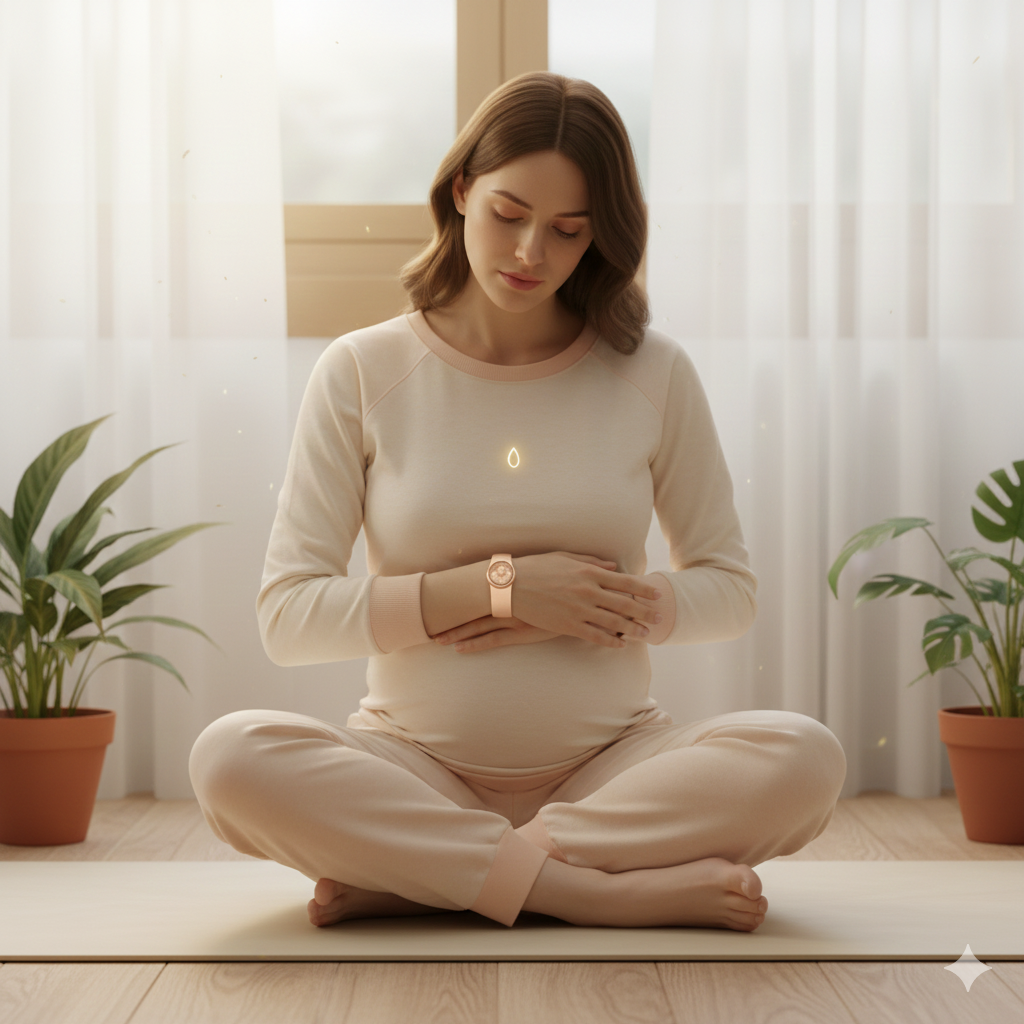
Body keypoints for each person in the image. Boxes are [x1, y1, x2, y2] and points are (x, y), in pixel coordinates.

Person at [189, 72, 846, 933]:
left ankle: (425, 876)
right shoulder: (362, 369)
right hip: (411, 764)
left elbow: (729, 588)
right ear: (461, 190)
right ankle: (585, 891)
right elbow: (291, 615)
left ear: (599, 238)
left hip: (613, 767)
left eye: (569, 232)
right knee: (230, 758)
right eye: (509, 214)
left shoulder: (653, 373)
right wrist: (500, 589)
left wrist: (592, 606)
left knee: (804, 756)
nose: (532, 252)